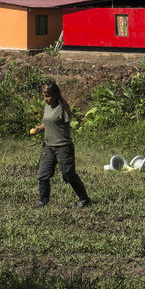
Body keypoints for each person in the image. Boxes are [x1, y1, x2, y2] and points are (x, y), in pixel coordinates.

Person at [29, 80, 91, 208]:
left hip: (63, 147)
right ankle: (43, 201)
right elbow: (48, 122)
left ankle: (84, 199)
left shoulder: (62, 108)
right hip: (48, 146)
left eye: (48, 96)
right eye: (44, 96)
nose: (45, 99)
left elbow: (64, 121)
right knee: (43, 173)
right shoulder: (47, 106)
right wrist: (40, 128)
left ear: (55, 95)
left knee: (69, 174)